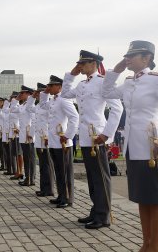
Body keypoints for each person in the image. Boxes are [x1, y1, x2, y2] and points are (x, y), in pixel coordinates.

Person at [102, 41, 158, 250]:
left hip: (152, 147)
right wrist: (115, 71)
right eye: (127, 55)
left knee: (156, 198)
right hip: (133, 147)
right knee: (142, 198)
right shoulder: (128, 82)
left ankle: (155, 245)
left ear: (146, 58)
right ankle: (147, 243)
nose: (128, 58)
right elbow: (106, 92)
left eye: (132, 55)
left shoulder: (156, 81)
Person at [62, 50, 123, 229]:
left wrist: (106, 134)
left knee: (101, 177)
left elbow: (117, 109)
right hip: (86, 137)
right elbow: (65, 94)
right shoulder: (81, 85)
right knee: (92, 176)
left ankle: (104, 216)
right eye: (80, 63)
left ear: (94, 64)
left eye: (84, 63)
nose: (81, 66)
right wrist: (70, 75)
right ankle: (96, 210)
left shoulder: (103, 82)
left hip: (98, 137)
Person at [39, 75, 79, 208]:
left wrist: (68, 135)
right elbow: (43, 105)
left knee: (65, 172)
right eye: (49, 86)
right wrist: (44, 93)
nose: (49, 88)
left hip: (63, 142)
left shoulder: (64, 100)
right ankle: (61, 195)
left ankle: (68, 198)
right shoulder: (53, 100)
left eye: (51, 85)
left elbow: (74, 117)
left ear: (59, 86)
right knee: (58, 170)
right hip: (54, 141)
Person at [26, 83, 55, 197]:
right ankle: (44, 188)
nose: (38, 95)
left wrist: (49, 135)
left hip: (46, 137)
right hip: (39, 138)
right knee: (42, 165)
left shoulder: (49, 104)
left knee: (47, 164)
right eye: (37, 93)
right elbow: (28, 107)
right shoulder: (38, 106)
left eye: (39, 93)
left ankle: (49, 189)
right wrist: (32, 96)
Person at [10, 85, 35, 186]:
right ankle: (27, 178)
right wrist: (16, 99)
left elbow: (34, 120)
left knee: (30, 158)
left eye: (23, 93)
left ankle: (31, 179)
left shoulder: (31, 106)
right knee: (26, 158)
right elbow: (12, 108)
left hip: (28, 136)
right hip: (23, 136)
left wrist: (31, 134)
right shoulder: (23, 106)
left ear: (29, 94)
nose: (21, 94)